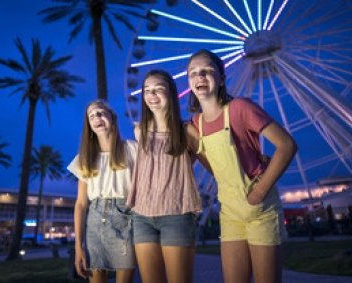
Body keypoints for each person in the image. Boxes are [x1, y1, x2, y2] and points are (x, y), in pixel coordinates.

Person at [187, 49, 297, 283]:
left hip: (260, 209)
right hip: (229, 212)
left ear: (222, 77)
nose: (200, 77)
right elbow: (214, 165)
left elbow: (286, 145)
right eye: (193, 73)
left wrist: (259, 191)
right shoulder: (196, 124)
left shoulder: (240, 108)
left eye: (207, 71)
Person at [127, 69, 204, 283]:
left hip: (176, 213)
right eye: (147, 91)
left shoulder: (187, 131)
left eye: (158, 90)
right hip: (142, 215)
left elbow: (213, 163)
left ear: (171, 93)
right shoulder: (139, 131)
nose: (152, 96)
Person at [67, 100, 137, 283]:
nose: (96, 117)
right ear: (89, 125)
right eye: (91, 115)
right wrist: (78, 246)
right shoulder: (84, 158)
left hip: (126, 219)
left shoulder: (131, 149)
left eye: (100, 112)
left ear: (112, 118)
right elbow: (81, 204)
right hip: (95, 221)